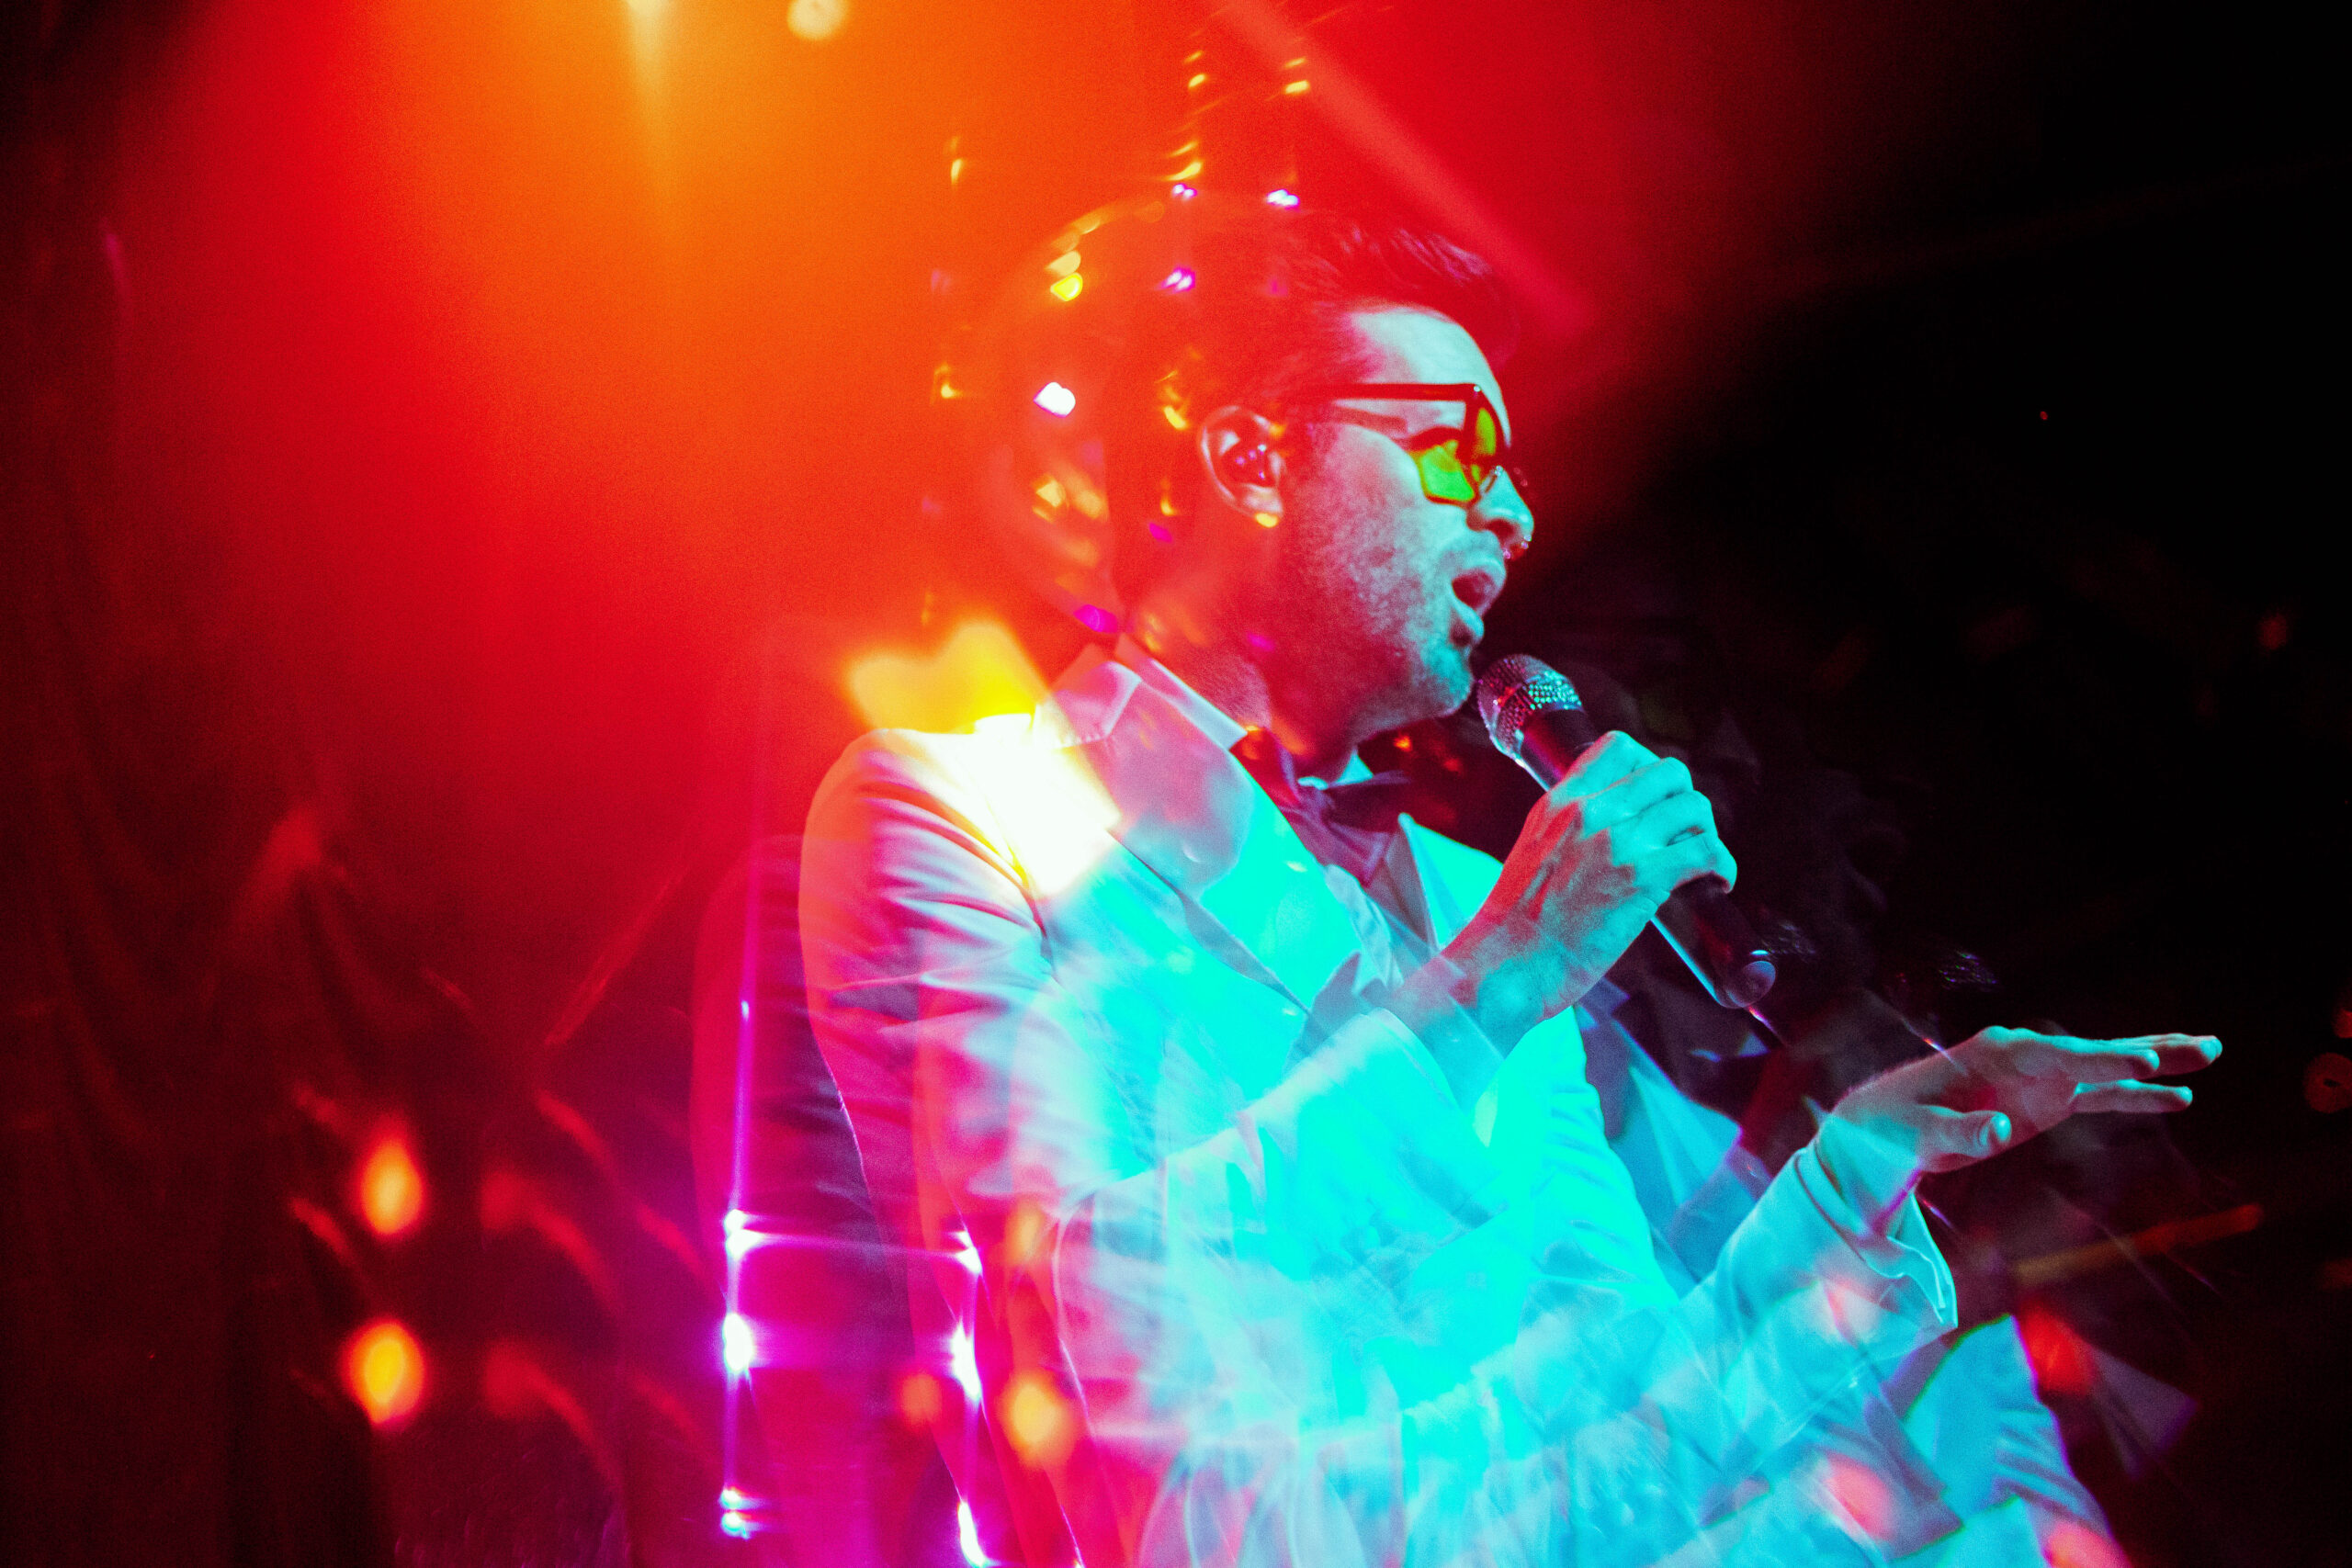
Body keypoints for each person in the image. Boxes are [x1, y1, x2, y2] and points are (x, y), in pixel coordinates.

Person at [783, 197, 2219, 1566]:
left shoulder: (1479, 892)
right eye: (1461, 449)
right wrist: (1492, 983)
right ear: (1252, 460)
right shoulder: (953, 807)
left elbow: (1626, 1409)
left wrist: (1849, 1180)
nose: (1518, 516)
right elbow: (1081, 1317)